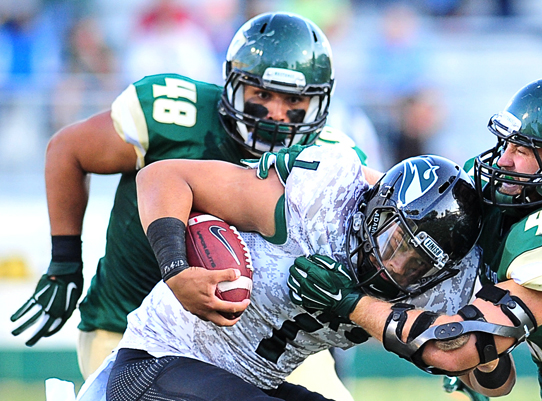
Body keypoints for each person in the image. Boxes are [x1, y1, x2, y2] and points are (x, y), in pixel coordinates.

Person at [9, 13, 365, 399]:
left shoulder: (328, 162)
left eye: (294, 100)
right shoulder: (178, 114)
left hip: (265, 337)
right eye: (262, 95)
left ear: (319, 102)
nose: (277, 113)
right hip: (133, 329)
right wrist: (64, 260)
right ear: (233, 85)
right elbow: (68, 150)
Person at [287, 77, 542, 400]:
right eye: (508, 141)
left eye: (526, 150)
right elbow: (495, 378)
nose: (504, 159)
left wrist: (353, 304)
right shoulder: (512, 194)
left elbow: (463, 347)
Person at [91, 146, 482, 400]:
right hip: (157, 363)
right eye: (395, 239)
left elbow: (494, 378)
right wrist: (175, 271)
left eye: (417, 261)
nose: (395, 263)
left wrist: (354, 305)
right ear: (375, 210)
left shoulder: (443, 285)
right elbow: (164, 176)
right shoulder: (320, 200)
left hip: (252, 383)